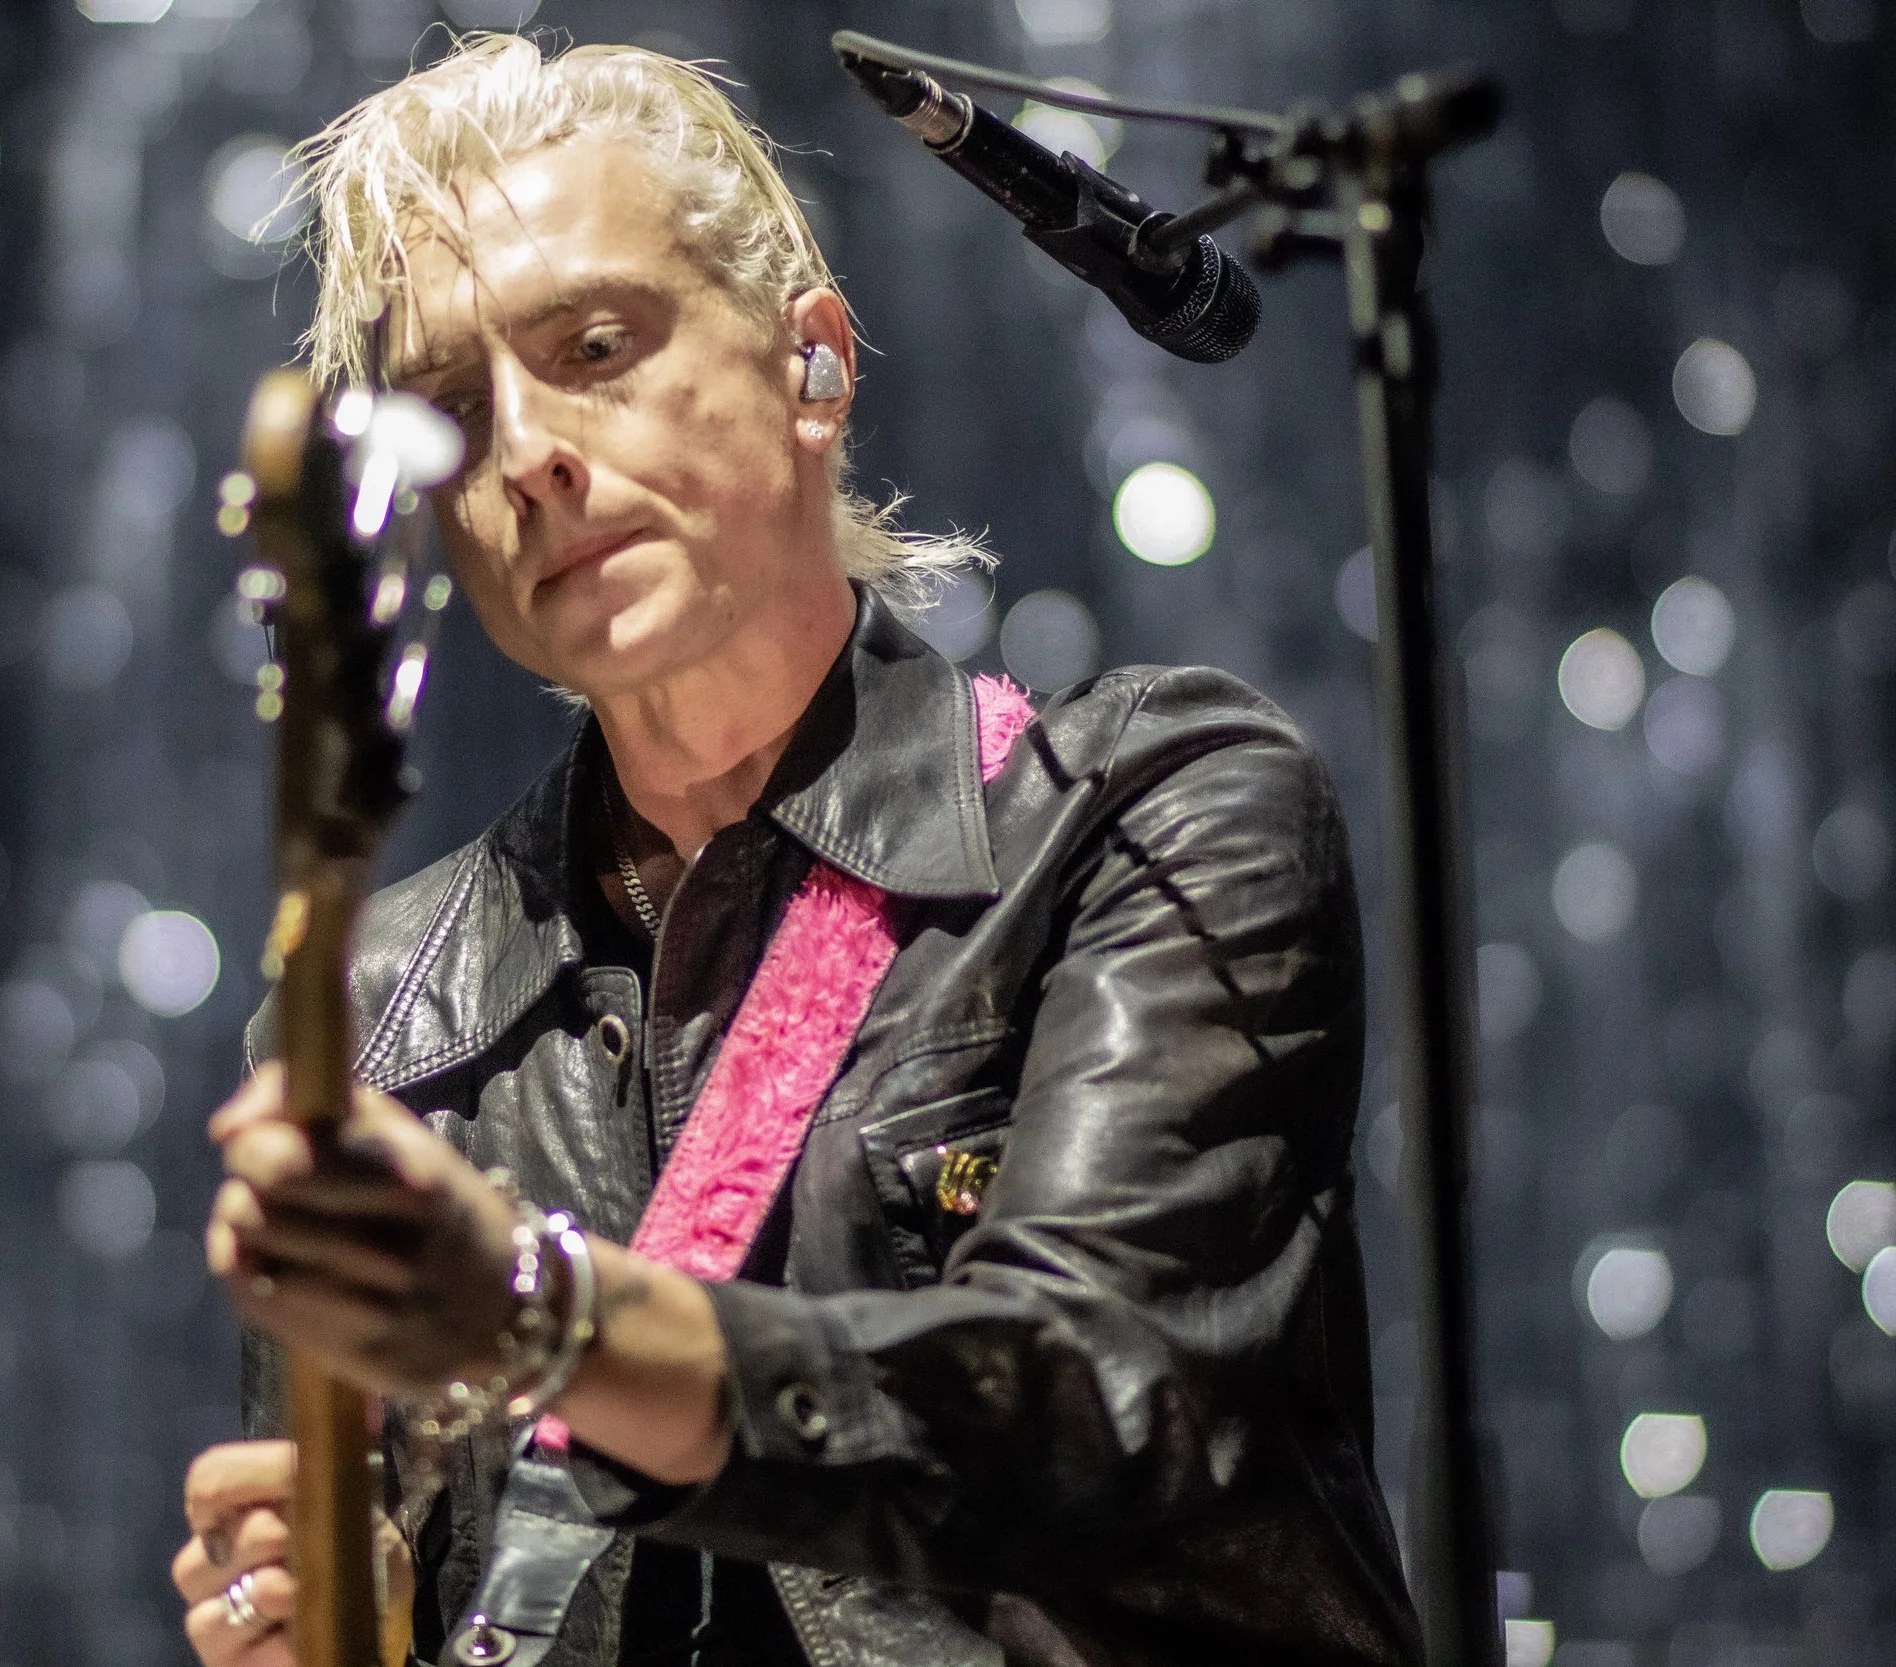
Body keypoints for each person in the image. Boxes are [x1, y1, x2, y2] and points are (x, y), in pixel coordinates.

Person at [173, 33, 1420, 1667]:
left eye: (599, 343)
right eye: (457, 407)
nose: (533, 450)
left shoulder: (1151, 810)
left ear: (813, 366)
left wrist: (547, 1319)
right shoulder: (377, 1014)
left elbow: (1095, 1405)